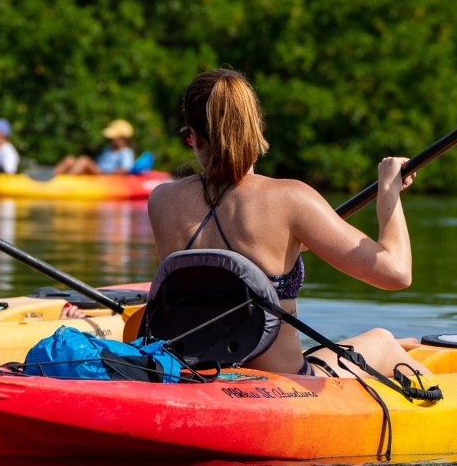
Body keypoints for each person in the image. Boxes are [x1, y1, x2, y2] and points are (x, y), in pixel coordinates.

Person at [147, 68, 432, 379]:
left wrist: (292, 241)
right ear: (255, 128)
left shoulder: (162, 201)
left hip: (196, 377)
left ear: (194, 137)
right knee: (383, 341)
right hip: (286, 384)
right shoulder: (290, 199)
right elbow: (397, 273)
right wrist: (388, 196)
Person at [54, 119, 136, 175]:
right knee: (70, 159)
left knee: (84, 160)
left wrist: (110, 175)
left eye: (113, 138)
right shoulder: (108, 148)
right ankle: (50, 176)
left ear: (123, 138)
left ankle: (67, 182)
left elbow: (125, 168)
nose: (110, 139)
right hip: (98, 171)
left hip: (105, 175)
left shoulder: (126, 152)